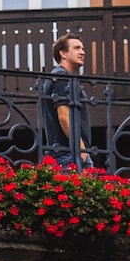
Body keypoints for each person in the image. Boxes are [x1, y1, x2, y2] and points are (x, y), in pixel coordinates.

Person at [36, 34, 90, 168]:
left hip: (64, 153)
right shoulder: (62, 76)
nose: (82, 52)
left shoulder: (60, 76)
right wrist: (81, 150)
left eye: (82, 49)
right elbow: (64, 116)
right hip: (69, 154)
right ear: (63, 53)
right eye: (77, 48)